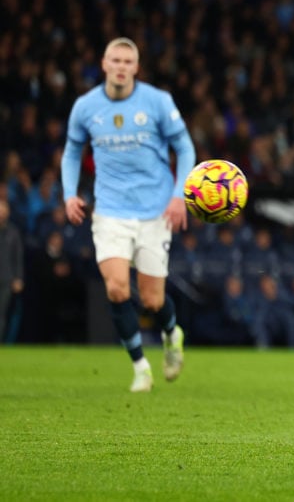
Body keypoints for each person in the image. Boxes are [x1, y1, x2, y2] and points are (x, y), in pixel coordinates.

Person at [61, 37, 196, 392]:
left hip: (155, 212)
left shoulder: (157, 101)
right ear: (103, 64)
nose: (121, 67)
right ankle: (140, 366)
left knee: (152, 299)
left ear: (136, 68)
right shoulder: (86, 106)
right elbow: (72, 151)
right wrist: (68, 194)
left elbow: (184, 147)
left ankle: (171, 332)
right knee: (118, 288)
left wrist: (178, 195)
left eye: (127, 61)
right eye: (115, 60)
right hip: (110, 212)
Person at [0, 198, 25, 342]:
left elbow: (18, 256)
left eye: (3, 211)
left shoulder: (13, 232)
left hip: (6, 278)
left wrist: (18, 278)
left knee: (2, 314)